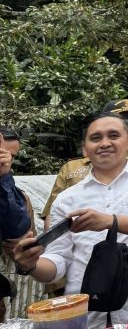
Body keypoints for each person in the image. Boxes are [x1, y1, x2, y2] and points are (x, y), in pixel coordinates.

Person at [13, 113, 128, 329]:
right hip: (84, 313)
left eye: (113, 135)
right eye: (96, 138)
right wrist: (31, 264)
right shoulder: (67, 198)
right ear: (85, 149)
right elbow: (58, 262)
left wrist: (110, 221)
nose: (105, 143)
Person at [41, 99, 128, 229]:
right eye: (118, 119)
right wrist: (49, 245)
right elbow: (53, 216)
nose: (127, 126)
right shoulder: (71, 168)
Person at [0, 129, 34, 323]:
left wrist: (3, 178)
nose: (7, 160)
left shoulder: (13, 194)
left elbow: (19, 233)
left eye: (11, 156)